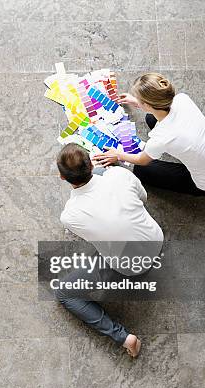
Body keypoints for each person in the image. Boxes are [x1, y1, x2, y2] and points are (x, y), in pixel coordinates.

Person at [54, 143, 164, 358]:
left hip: (132, 268)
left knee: (64, 293)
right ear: (91, 162)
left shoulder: (70, 215)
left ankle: (123, 337)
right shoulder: (120, 176)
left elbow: (91, 237)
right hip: (155, 239)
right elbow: (143, 198)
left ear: (62, 177)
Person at [93, 73, 205, 201]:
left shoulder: (160, 137)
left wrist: (118, 154)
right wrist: (138, 103)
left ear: (147, 104)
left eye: (139, 99)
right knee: (151, 118)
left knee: (141, 170)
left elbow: (141, 160)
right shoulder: (182, 99)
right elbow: (162, 109)